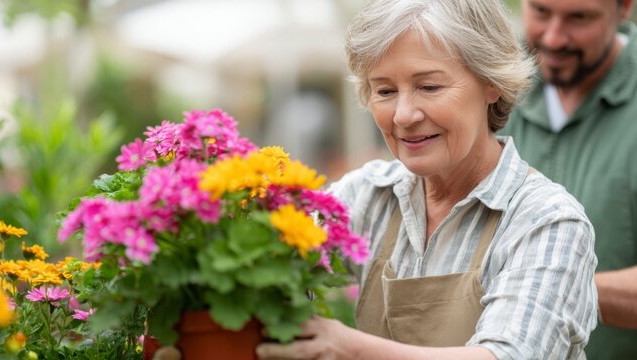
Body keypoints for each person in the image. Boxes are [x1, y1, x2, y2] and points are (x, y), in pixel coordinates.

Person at [256, 0, 598, 359]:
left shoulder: (548, 221)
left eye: (430, 87)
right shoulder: (366, 195)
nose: (404, 115)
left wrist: (349, 348)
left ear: (491, 84)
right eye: (385, 91)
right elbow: (268, 265)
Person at [500, 0, 637, 358]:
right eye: (540, 11)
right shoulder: (491, 87)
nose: (554, 37)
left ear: (624, 8)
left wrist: (544, 289)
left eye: (579, 17)